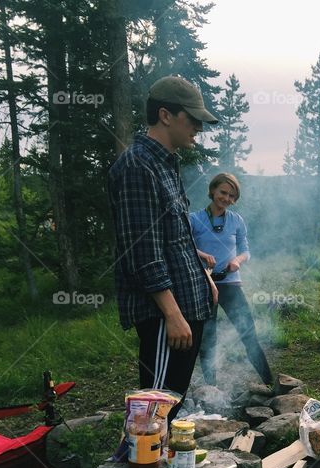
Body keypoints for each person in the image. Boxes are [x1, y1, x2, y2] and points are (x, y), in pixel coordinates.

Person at [109, 75, 219, 416]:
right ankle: (136, 466)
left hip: (187, 306)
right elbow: (143, 252)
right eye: (193, 117)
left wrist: (204, 276)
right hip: (164, 316)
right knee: (153, 410)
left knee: (171, 403)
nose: (199, 126)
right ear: (165, 115)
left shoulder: (165, 163)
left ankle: (161, 463)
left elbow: (174, 237)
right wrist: (172, 314)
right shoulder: (137, 166)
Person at [190, 172, 273, 387]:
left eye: (231, 196)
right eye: (223, 193)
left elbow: (246, 250)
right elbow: (184, 246)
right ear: (212, 191)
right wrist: (202, 255)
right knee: (208, 339)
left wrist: (238, 259)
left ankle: (269, 383)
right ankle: (211, 387)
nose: (226, 199)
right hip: (204, 285)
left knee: (248, 333)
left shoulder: (236, 220)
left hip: (231, 283)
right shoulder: (195, 219)